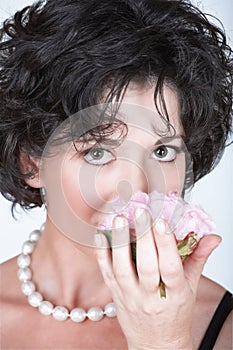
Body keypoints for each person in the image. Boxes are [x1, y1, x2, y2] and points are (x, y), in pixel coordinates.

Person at [0, 0, 232, 349]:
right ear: (31, 163)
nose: (139, 190)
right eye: (98, 152)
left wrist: (163, 340)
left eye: (162, 151)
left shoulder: (223, 327)